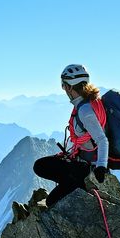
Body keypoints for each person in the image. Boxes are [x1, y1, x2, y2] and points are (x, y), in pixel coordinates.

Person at [33, 64, 109, 206]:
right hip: (81, 161)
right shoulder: (90, 103)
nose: (63, 89)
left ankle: (76, 184)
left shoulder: (85, 111)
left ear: (69, 87)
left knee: (50, 200)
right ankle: (70, 181)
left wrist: (101, 167)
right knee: (40, 165)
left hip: (84, 168)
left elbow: (102, 140)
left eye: (63, 85)